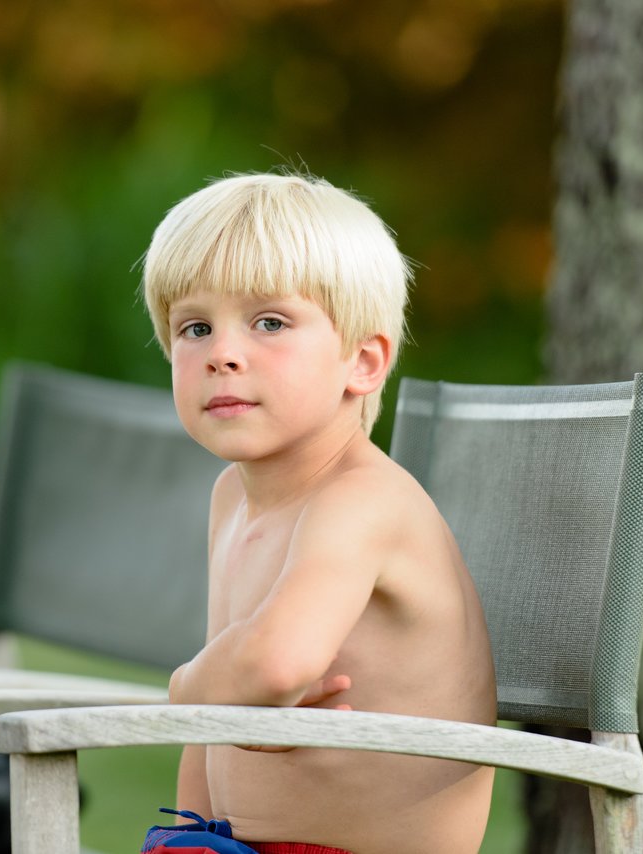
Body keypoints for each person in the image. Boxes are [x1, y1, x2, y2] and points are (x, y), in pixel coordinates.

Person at [138, 172, 497, 854]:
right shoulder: (232, 497)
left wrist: (186, 684)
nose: (223, 354)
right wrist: (181, 838)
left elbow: (273, 665)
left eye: (269, 322)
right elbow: (217, 723)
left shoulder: (361, 499)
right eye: (195, 327)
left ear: (361, 362)